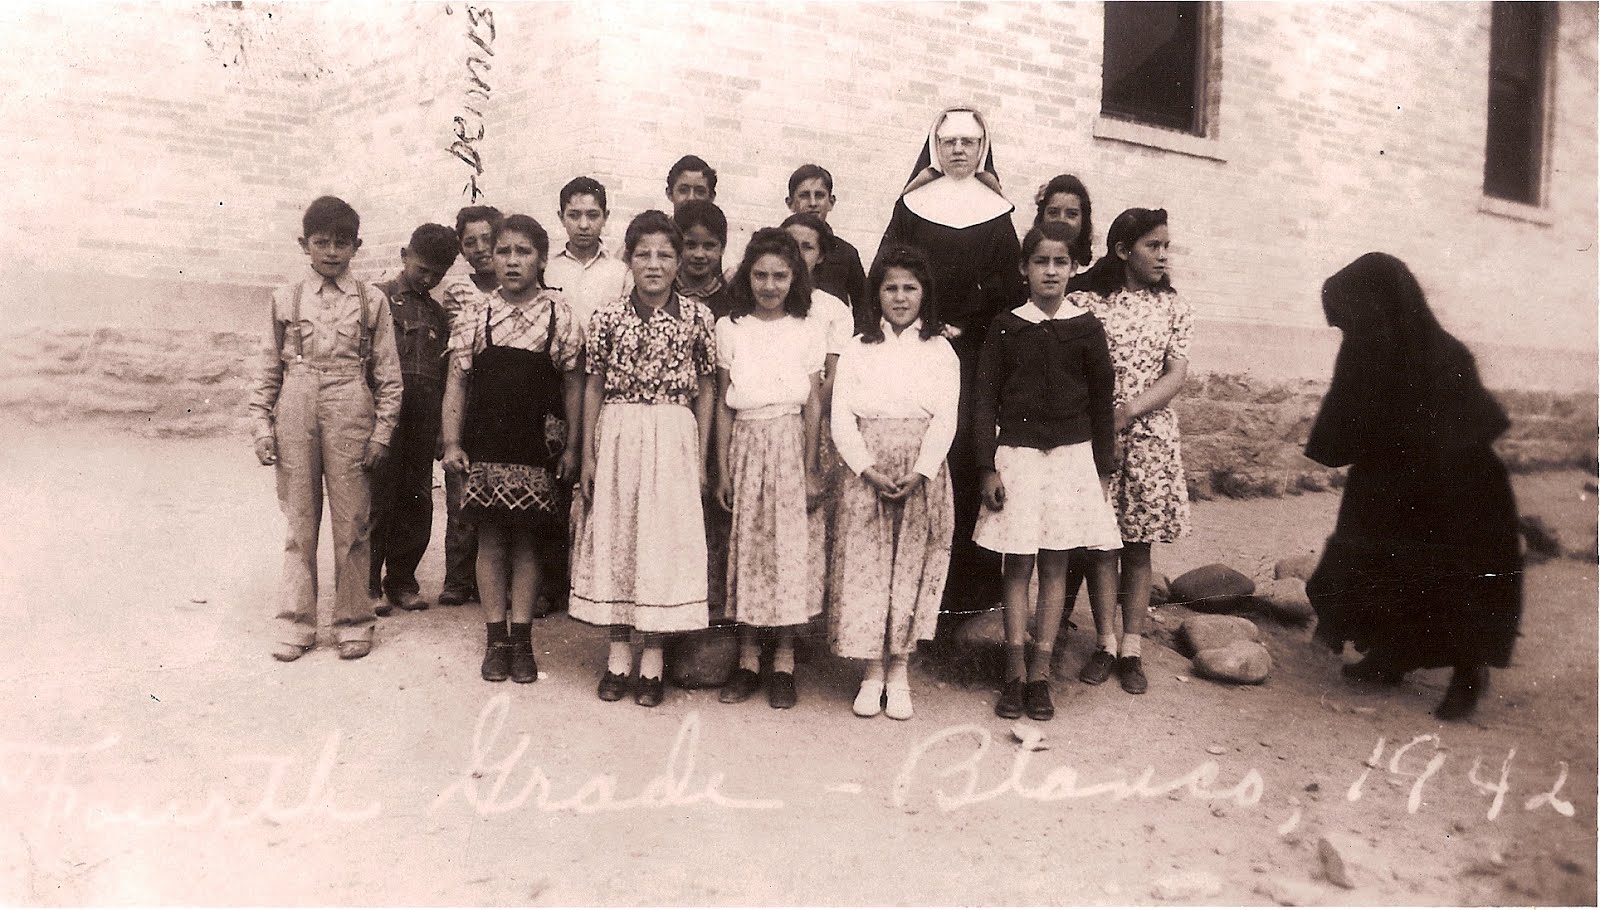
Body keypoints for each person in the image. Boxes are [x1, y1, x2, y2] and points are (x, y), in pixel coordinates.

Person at [1304, 253, 1521, 721]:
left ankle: (1468, 673)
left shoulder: (1445, 357)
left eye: (1350, 323)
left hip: (1457, 489)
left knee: (1451, 574)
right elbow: (1347, 412)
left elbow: (1465, 437)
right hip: (1392, 481)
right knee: (1382, 564)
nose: (1347, 335)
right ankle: (1391, 655)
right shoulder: (1367, 350)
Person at [878, 106, 1023, 628]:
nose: (959, 149)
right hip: (920, 350)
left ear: (983, 147)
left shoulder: (997, 211)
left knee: (963, 463)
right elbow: (888, 275)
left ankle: (964, 602)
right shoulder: (912, 207)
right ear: (935, 148)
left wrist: (968, 327)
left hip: (977, 357)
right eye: (949, 141)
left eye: (969, 141)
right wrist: (931, 322)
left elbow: (1010, 291)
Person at [972, 222, 1122, 721]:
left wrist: (1102, 469)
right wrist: (987, 467)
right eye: (1041, 262)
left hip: (1071, 460)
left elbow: (1103, 404)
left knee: (1056, 565)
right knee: (1017, 566)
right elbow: (984, 402)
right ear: (1024, 268)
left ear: (1074, 267)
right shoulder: (1005, 326)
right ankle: (1013, 673)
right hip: (1018, 459)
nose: (1051, 271)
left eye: (1061, 262)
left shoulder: (1086, 327)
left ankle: (1041, 675)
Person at [570, 211, 719, 709]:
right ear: (628, 259)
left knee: (663, 543)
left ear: (678, 262)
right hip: (619, 430)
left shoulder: (698, 317)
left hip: (674, 433)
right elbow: (593, 384)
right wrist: (590, 453)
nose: (654, 265)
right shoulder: (608, 318)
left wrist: (699, 461)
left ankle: (652, 658)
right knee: (620, 535)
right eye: (643, 254)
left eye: (664, 255)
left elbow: (705, 389)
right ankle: (618, 655)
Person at [248, 195, 403, 661]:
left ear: (357, 246)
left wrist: (381, 433)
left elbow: (388, 376)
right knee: (299, 520)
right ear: (304, 244)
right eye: (321, 243)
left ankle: (354, 620)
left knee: (353, 519)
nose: (331, 252)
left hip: (350, 399)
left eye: (341, 243)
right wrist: (261, 424)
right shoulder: (285, 298)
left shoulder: (372, 300)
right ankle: (297, 622)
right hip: (297, 399)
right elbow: (267, 371)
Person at [440, 215, 584, 684]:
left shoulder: (559, 316)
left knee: (527, 543)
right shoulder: (476, 315)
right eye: (504, 252)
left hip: (536, 446)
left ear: (541, 258)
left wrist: (573, 448)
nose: (512, 261)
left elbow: (574, 388)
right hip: (486, 444)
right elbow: (457, 383)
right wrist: (453, 442)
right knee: (490, 541)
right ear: (492, 259)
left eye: (523, 252)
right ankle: (494, 638)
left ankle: (521, 639)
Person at [828, 245, 959, 721]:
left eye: (910, 288)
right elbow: (841, 415)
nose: (900, 297)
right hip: (868, 470)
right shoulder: (859, 347)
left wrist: (922, 470)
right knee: (867, 569)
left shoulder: (940, 349)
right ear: (876, 293)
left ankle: (900, 670)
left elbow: (946, 417)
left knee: (910, 570)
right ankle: (870, 672)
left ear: (924, 293)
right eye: (890, 288)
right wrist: (865, 467)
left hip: (920, 470)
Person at [1068, 208, 1193, 696]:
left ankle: (1132, 648)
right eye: (1152, 246)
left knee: (1138, 547)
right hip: (1097, 438)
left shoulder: (1175, 308)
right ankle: (1103, 642)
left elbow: (1175, 375)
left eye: (1166, 246)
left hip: (1150, 438)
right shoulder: (1089, 304)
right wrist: (1102, 418)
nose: (1163, 255)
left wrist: (1128, 412)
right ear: (1123, 251)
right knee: (1102, 545)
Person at [713, 228, 825, 710]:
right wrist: (722, 471)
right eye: (760, 274)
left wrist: (812, 467)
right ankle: (747, 659)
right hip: (745, 442)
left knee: (788, 554)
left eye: (780, 276)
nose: (770, 285)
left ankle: (783, 661)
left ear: (794, 277)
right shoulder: (731, 327)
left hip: (790, 441)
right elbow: (722, 404)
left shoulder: (807, 327)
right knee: (748, 551)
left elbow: (815, 405)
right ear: (747, 276)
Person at [369, 223, 459, 614]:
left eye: (436, 273)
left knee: (418, 497)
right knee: (377, 497)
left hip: (423, 416)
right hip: (385, 413)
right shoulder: (378, 300)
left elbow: (443, 375)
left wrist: (442, 427)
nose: (427, 278)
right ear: (404, 255)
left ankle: (402, 579)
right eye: (422, 268)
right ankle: (367, 583)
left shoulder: (439, 314)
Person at [781, 212, 857, 622]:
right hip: (768, 424)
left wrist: (805, 415)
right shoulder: (768, 300)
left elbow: (832, 375)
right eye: (789, 245)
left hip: (814, 425)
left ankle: (804, 623)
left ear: (821, 255)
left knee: (810, 528)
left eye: (806, 247)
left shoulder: (832, 310)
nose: (796, 255)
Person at [437, 204, 505, 607]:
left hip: (505, 399)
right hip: (469, 395)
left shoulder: (523, 284)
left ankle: (498, 579)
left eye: (488, 240)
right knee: (461, 491)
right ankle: (459, 577)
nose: (481, 249)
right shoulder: (459, 292)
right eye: (470, 243)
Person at [545, 176, 632, 329]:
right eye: (574, 215)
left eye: (593, 215)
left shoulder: (621, 272)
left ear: (605, 217)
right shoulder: (547, 269)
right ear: (561, 217)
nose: (583, 225)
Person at [786, 163, 867, 314]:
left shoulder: (846, 253)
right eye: (804, 196)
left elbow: (864, 307)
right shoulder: (774, 247)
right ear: (790, 203)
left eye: (819, 195)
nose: (812, 203)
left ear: (831, 202)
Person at [673, 200, 735, 318]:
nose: (699, 254)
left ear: (722, 248)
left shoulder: (731, 300)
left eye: (709, 246)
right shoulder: (663, 293)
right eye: (690, 245)